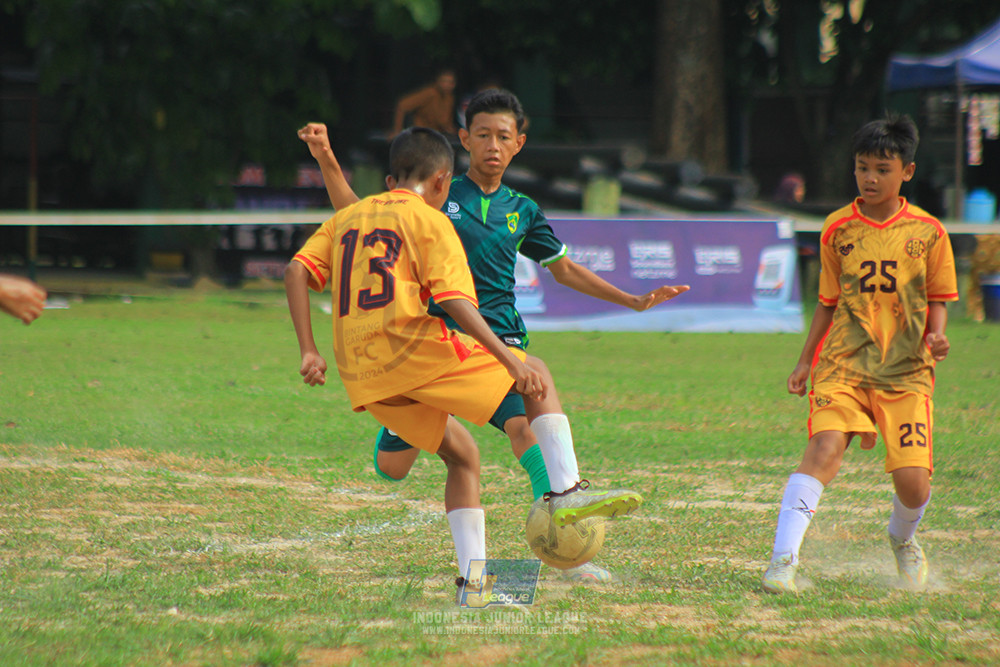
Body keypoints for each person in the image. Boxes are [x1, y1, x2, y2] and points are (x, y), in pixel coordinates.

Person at [298, 88, 690, 582]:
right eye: (482, 134)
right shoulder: (439, 194)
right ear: (463, 140)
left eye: (503, 136)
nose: (492, 145)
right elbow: (361, 216)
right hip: (434, 345)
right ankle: (410, 434)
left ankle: (567, 552)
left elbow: (564, 270)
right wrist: (328, 161)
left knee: (524, 426)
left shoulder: (522, 209)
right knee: (395, 469)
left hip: (497, 343)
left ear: (518, 143)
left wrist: (631, 300)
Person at [286, 127, 552, 599]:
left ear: (393, 178)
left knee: (463, 456)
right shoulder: (433, 221)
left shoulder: (351, 217)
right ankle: (566, 495)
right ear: (444, 182)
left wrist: (309, 350)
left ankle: (476, 584)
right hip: (414, 352)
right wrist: (509, 361)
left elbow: (295, 271)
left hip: (361, 372)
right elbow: (457, 304)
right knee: (539, 375)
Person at [761, 114, 959, 594]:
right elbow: (828, 302)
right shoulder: (837, 229)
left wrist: (936, 335)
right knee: (824, 449)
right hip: (843, 366)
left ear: (906, 172)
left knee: (914, 483)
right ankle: (782, 563)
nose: (870, 178)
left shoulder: (929, 232)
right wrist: (806, 360)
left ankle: (902, 539)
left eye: (882, 169)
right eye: (862, 167)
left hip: (906, 372)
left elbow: (938, 296)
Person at [391, 69, 458, 138]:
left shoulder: (450, 98)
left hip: (436, 138)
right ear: (437, 82)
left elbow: (444, 122)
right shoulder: (430, 93)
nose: (446, 85)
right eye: (444, 81)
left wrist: (451, 130)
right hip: (420, 136)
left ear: (454, 85)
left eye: (450, 83)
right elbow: (402, 106)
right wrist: (397, 130)